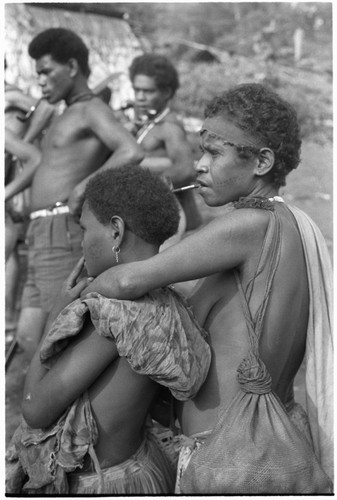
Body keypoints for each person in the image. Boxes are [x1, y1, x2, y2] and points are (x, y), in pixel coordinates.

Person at [82, 83, 333, 492]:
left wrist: (78, 293)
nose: (199, 165)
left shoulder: (247, 225)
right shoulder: (293, 225)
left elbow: (128, 279)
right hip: (275, 435)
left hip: (227, 457)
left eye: (214, 153)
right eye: (202, 151)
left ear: (262, 162)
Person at [6, 166, 211, 495]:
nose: (81, 242)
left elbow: (34, 410)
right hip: (139, 467)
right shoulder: (167, 299)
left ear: (116, 231)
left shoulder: (109, 317)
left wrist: (55, 318)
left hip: (101, 483)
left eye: (85, 229)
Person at [15, 28, 143, 360]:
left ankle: (75, 405)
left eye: (46, 71)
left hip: (62, 229)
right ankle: (50, 402)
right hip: (41, 232)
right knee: (30, 334)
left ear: (71, 66)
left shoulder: (90, 109)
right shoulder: (65, 112)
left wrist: (83, 187)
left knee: (62, 327)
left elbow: (130, 151)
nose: (41, 81)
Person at [123, 53, 201, 239]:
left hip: (177, 227)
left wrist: (143, 186)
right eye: (137, 90)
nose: (140, 97)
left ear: (166, 92)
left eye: (148, 91)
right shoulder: (149, 124)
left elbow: (185, 170)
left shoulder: (169, 126)